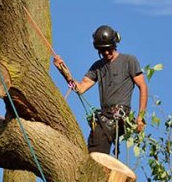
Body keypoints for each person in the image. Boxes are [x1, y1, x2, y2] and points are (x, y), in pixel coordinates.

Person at [53, 25, 148, 157]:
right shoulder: (98, 67)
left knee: (97, 149)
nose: (106, 53)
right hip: (104, 115)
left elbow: (143, 87)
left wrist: (140, 117)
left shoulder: (129, 60)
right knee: (93, 144)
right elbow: (80, 88)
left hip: (119, 114)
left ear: (114, 44)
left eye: (108, 49)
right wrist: (63, 70)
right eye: (102, 50)